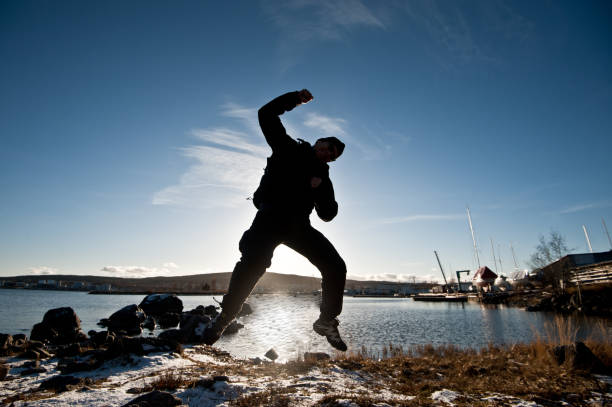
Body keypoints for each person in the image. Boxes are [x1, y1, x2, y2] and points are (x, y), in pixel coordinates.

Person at [202, 89, 348, 351]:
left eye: (332, 155)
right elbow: (265, 114)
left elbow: (328, 215)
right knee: (252, 266)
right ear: (318, 142)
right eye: (326, 148)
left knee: (335, 265)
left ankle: (327, 321)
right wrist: (294, 98)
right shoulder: (287, 148)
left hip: (298, 227)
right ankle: (224, 318)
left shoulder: (323, 178)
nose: (327, 154)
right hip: (269, 219)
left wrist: (319, 189)